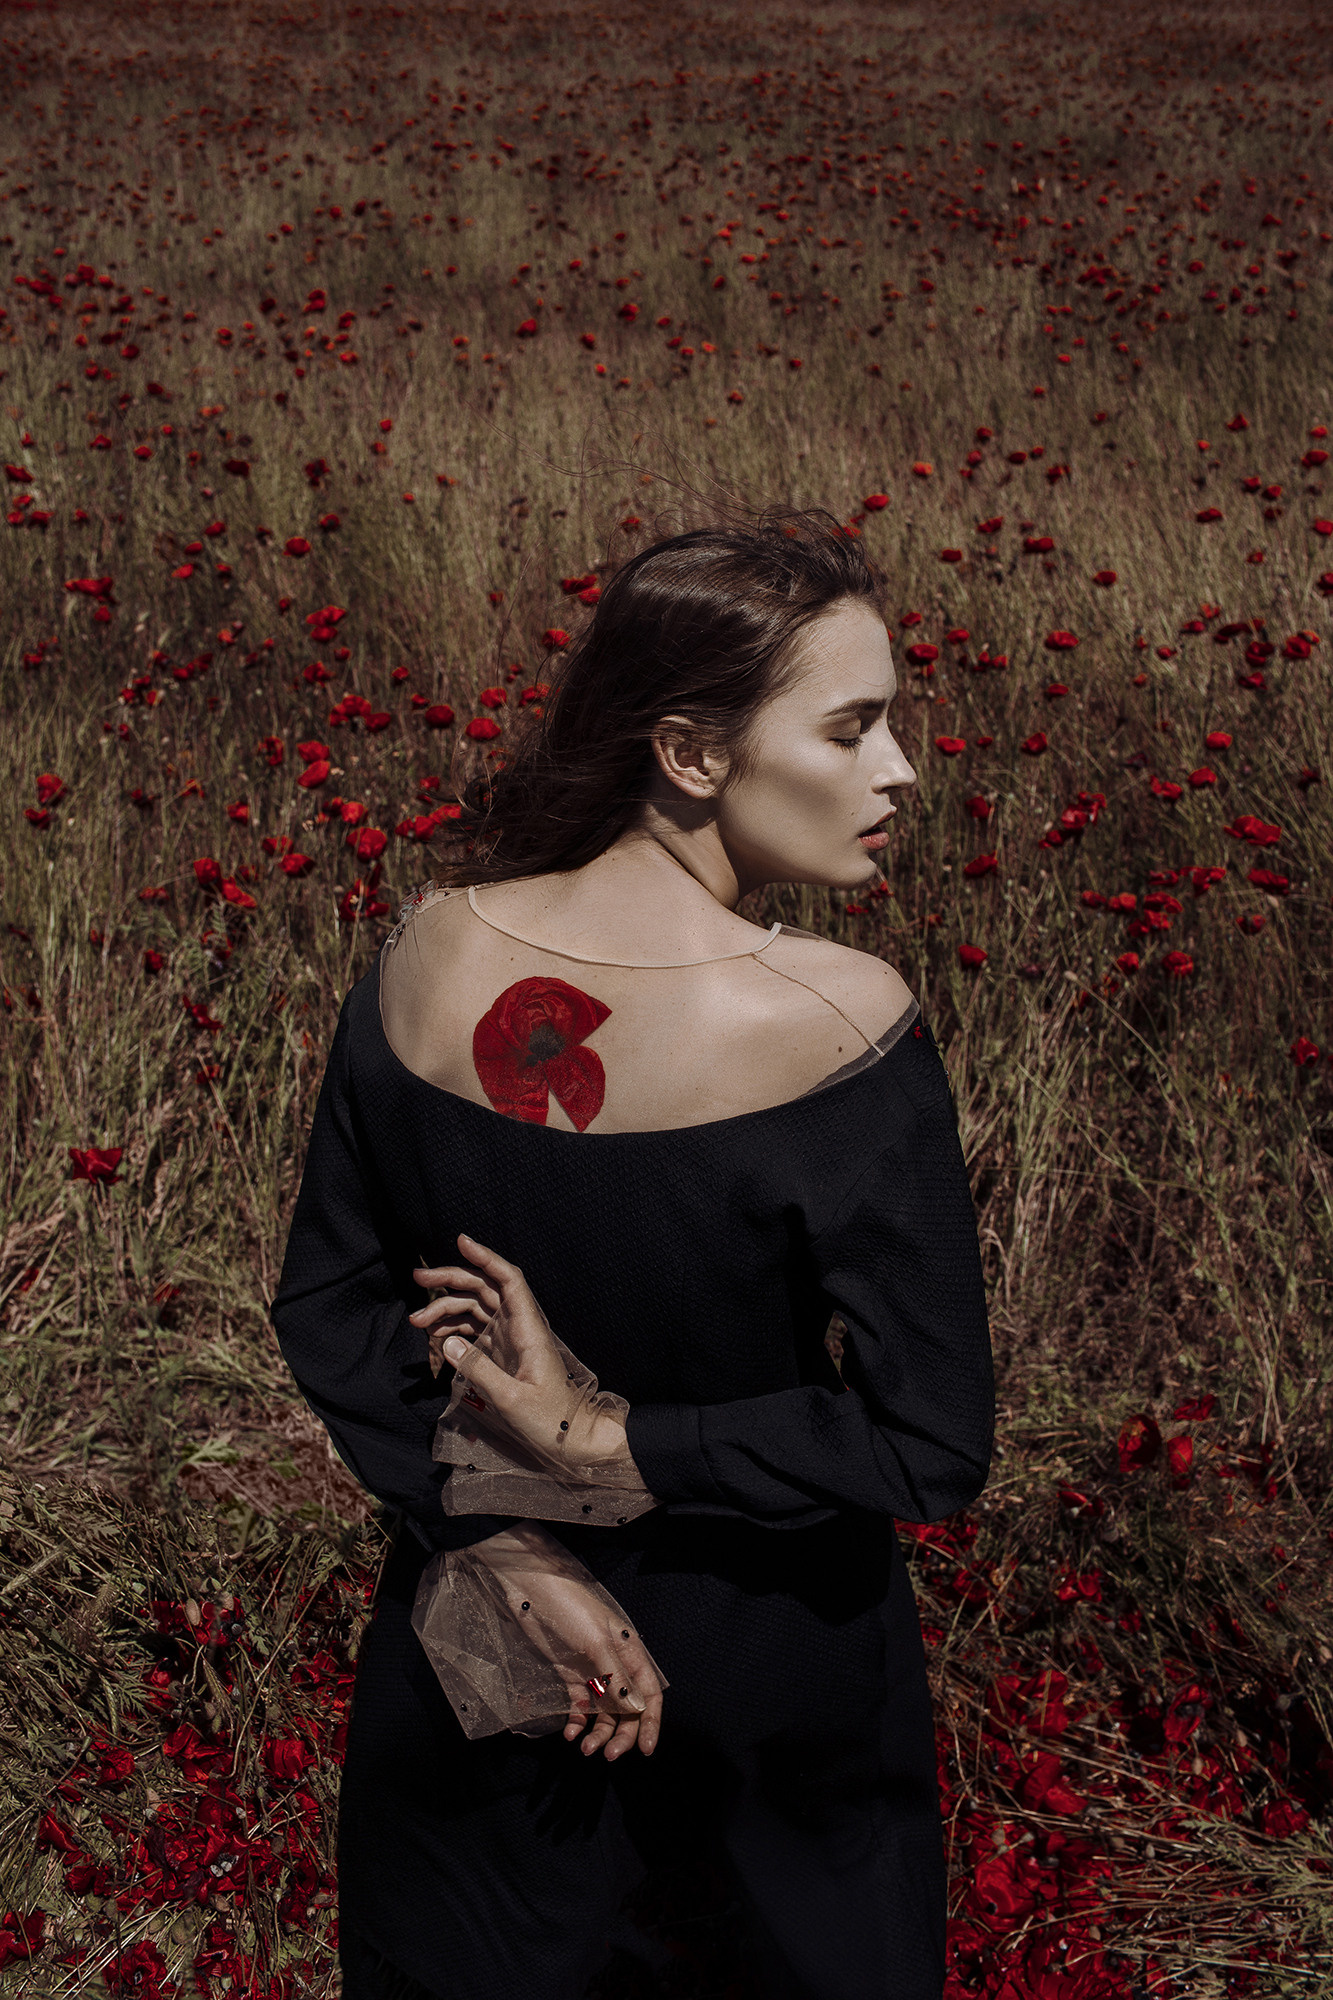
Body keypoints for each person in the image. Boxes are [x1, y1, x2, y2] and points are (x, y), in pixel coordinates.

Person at [269, 512, 995, 2000]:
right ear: (690, 753)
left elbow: (330, 1308)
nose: (898, 771)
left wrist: (489, 1534)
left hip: (475, 1644)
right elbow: (927, 1448)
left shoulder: (426, 949)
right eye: (850, 728)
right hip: (760, 1702)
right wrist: (608, 1440)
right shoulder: (835, 1023)